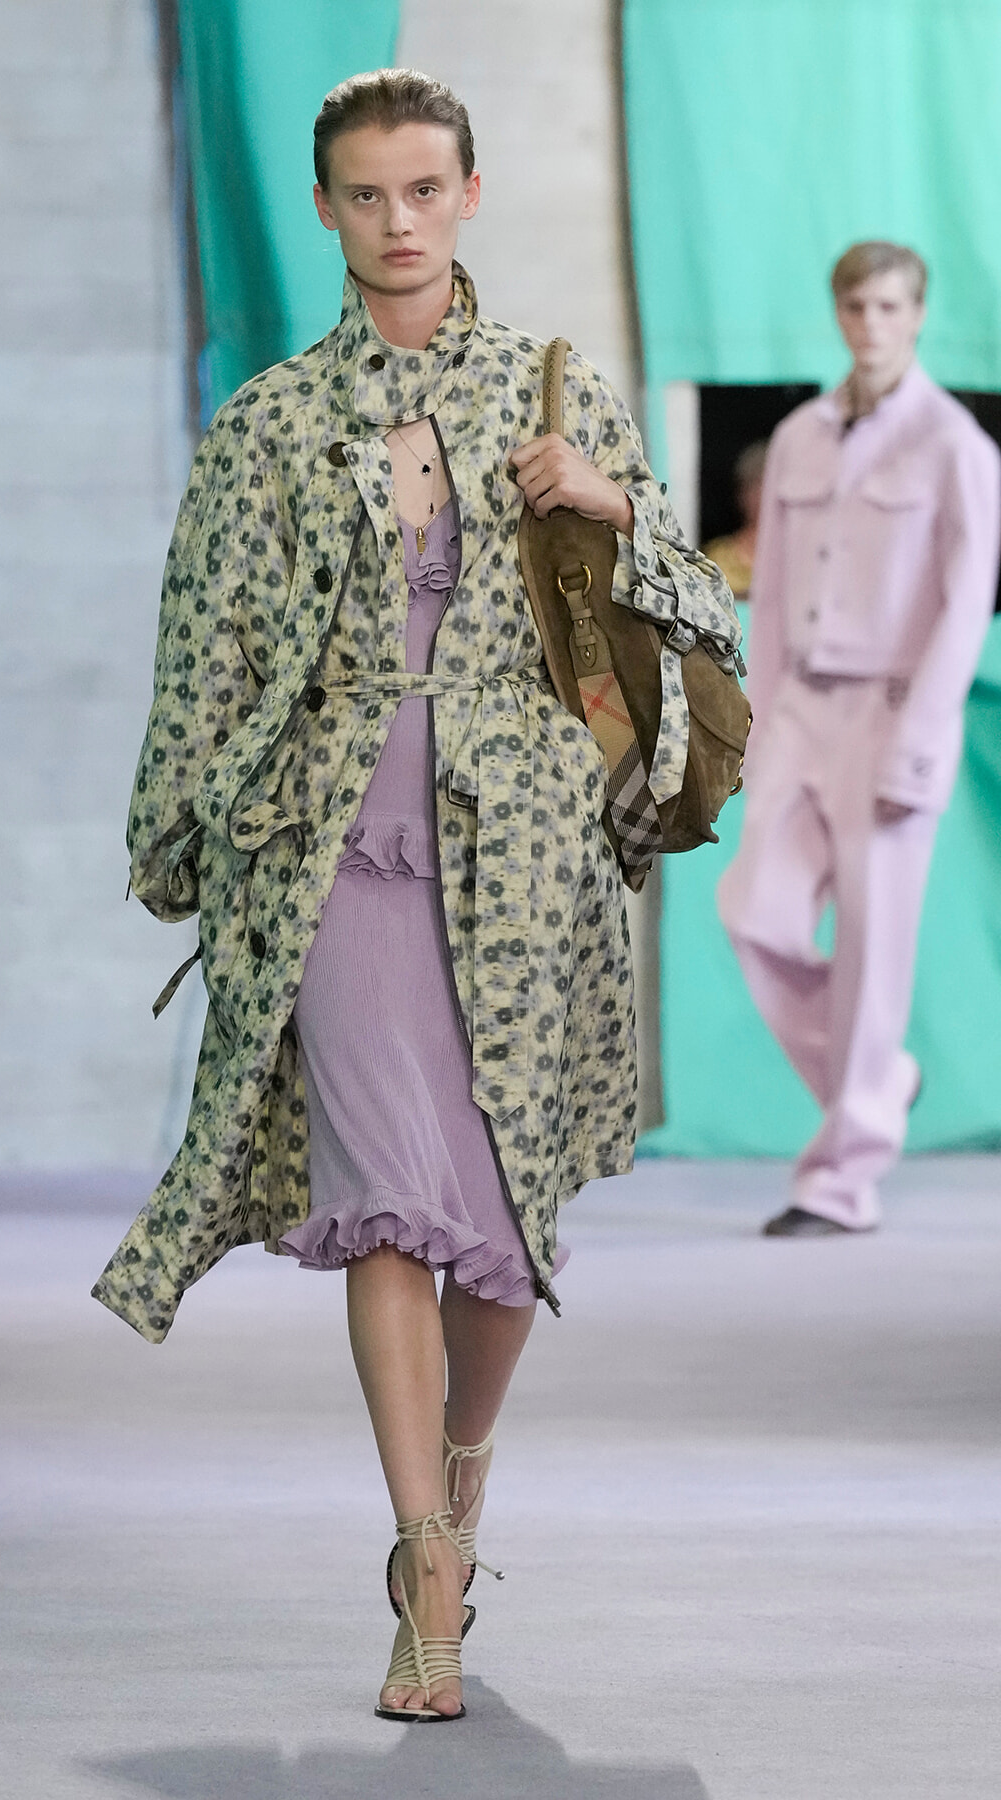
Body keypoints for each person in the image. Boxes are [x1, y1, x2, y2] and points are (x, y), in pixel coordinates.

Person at [94, 69, 736, 1720]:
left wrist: (611, 507)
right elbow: (202, 660)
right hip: (337, 860)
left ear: (466, 193)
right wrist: (176, 842)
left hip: (522, 862)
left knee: (506, 1240)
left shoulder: (550, 392)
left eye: (424, 190)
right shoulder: (267, 427)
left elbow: (698, 610)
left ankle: (460, 1466)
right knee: (387, 1198)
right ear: (325, 206)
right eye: (366, 194)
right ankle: (427, 1572)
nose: (396, 222)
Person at [718, 241, 1001, 1238]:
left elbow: (966, 609)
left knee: (876, 949)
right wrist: (756, 731)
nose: (871, 323)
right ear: (837, 313)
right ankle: (884, 1073)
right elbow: (778, 588)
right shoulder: (798, 436)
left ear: (917, 314)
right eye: (855, 305)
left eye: (889, 306)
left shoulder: (957, 446)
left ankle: (841, 1180)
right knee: (755, 911)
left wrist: (920, 742)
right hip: (801, 709)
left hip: (892, 710)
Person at [703, 439, 767, 600]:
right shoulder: (716, 558)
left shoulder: (799, 556)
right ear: (740, 494)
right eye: (752, 487)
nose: (760, 497)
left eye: (766, 487)